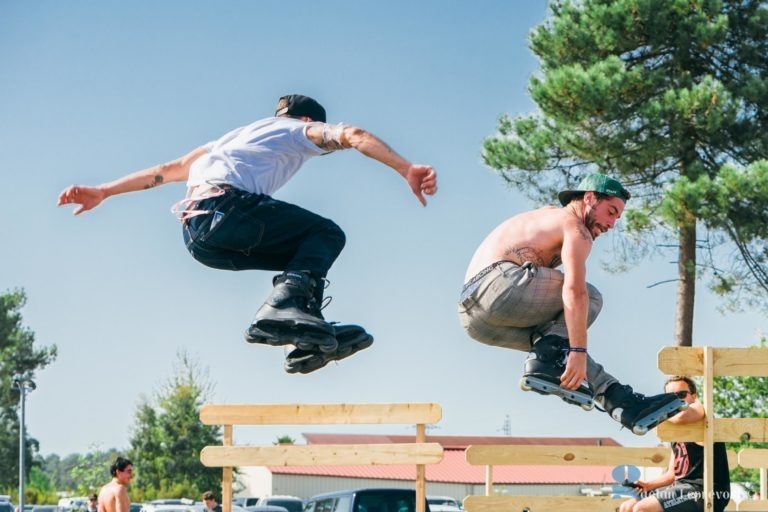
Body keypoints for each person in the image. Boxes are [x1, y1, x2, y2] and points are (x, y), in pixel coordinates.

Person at [58, 94, 437, 373]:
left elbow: (166, 170)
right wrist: (405, 168)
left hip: (199, 237)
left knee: (302, 254)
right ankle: (283, 309)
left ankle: (307, 330)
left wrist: (104, 191)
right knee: (327, 234)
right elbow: (353, 134)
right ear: (305, 118)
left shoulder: (228, 140)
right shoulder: (298, 130)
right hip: (228, 211)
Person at [458, 173, 686, 434]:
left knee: (556, 346)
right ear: (589, 198)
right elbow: (575, 292)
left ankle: (619, 400)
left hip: (475, 320)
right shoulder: (575, 228)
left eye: (616, 218)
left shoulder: (547, 216)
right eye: (610, 212)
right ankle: (546, 360)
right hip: (500, 286)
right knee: (591, 299)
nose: (611, 224)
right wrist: (577, 350)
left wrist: (572, 353)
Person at [619, 376, 730, 512]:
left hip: (706, 490)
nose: (677, 400)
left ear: (693, 396)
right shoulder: (675, 432)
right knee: (627, 507)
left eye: (681, 394)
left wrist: (651, 412)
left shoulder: (702, 412)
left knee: (643, 509)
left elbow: (682, 416)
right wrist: (648, 485)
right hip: (682, 487)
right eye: (670, 397)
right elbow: (673, 474)